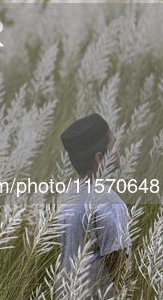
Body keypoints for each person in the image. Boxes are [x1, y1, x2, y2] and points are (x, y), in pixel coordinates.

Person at [57, 113, 131, 299]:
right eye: (114, 143)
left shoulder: (68, 194)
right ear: (100, 158)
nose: (119, 148)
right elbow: (118, 273)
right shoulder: (108, 203)